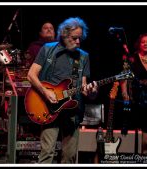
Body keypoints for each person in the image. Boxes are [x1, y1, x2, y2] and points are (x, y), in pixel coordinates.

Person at [27, 17, 98, 163]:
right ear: (64, 35)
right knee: (47, 153)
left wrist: (91, 91)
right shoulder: (47, 49)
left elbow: (84, 88)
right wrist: (45, 92)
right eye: (74, 38)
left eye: (80, 38)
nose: (78, 42)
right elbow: (31, 75)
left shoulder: (83, 56)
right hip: (49, 108)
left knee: (70, 156)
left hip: (73, 111)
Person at [121, 33, 147, 154]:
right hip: (134, 99)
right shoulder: (131, 58)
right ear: (139, 44)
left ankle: (144, 156)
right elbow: (123, 77)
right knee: (133, 133)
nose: (145, 44)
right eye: (143, 42)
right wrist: (124, 94)